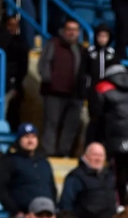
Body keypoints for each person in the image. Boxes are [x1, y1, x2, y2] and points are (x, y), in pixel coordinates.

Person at [95, 64, 128, 205]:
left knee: (117, 168)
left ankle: (120, 202)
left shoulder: (104, 87)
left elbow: (97, 113)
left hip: (116, 133)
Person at [0, 123, 57, 218]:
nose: (30, 140)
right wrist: (16, 211)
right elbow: (1, 189)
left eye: (33, 137)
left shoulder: (44, 162)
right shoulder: (9, 161)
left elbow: (52, 188)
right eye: (26, 137)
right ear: (19, 139)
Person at [38, 18, 84, 157]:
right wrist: (49, 80)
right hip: (54, 92)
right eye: (69, 29)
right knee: (51, 124)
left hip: (75, 94)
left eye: (75, 30)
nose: (72, 33)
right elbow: (43, 64)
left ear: (79, 32)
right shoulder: (53, 44)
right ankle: (49, 152)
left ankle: (64, 152)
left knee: (70, 126)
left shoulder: (81, 49)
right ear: (64, 30)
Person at [78, 23, 119, 145]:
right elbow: (83, 73)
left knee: (106, 122)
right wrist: (84, 91)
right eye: (100, 36)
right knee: (93, 121)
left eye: (105, 36)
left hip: (108, 95)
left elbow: (116, 73)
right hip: (93, 94)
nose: (102, 39)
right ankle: (89, 146)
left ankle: (103, 147)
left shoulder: (112, 53)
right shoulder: (89, 52)